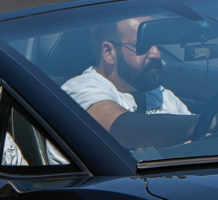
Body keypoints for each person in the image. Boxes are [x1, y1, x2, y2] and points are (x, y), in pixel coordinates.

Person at [61, 15, 191, 133]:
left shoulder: (159, 94)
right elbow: (123, 128)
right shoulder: (80, 89)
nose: (156, 54)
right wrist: (203, 124)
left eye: (157, 45)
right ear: (109, 52)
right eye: (142, 46)